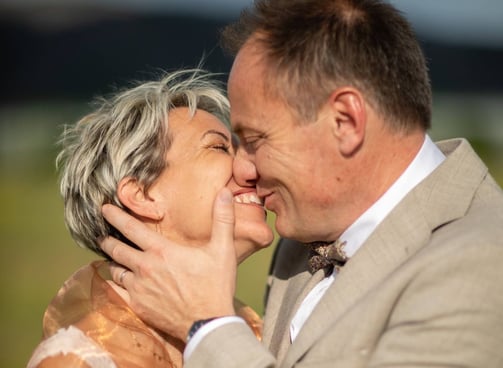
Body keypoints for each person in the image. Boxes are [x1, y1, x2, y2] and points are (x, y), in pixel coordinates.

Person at [100, 1, 503, 367]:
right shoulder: (299, 244)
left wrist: (205, 326)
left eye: (255, 141)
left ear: (345, 122)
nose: (242, 170)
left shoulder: (484, 264)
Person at [27, 69, 274, 368]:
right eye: (220, 147)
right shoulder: (80, 359)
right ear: (142, 195)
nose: (250, 168)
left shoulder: (256, 332)